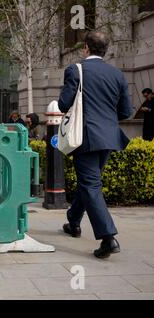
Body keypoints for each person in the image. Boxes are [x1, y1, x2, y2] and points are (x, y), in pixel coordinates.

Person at [58, 31, 133, 259]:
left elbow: (63, 104)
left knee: (90, 185)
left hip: (86, 137)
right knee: (90, 182)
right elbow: (126, 112)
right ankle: (73, 221)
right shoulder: (117, 74)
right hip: (109, 137)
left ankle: (108, 238)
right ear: (105, 50)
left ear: (86, 48)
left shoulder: (75, 70)